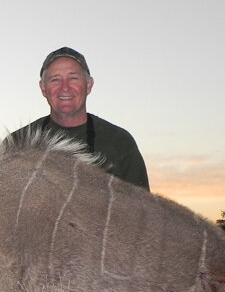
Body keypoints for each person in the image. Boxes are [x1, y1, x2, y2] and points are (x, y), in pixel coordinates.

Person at [9, 47, 150, 190]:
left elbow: (144, 208)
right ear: (43, 89)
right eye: (55, 79)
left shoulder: (120, 142)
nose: (65, 88)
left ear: (89, 85)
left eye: (73, 78)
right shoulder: (17, 143)